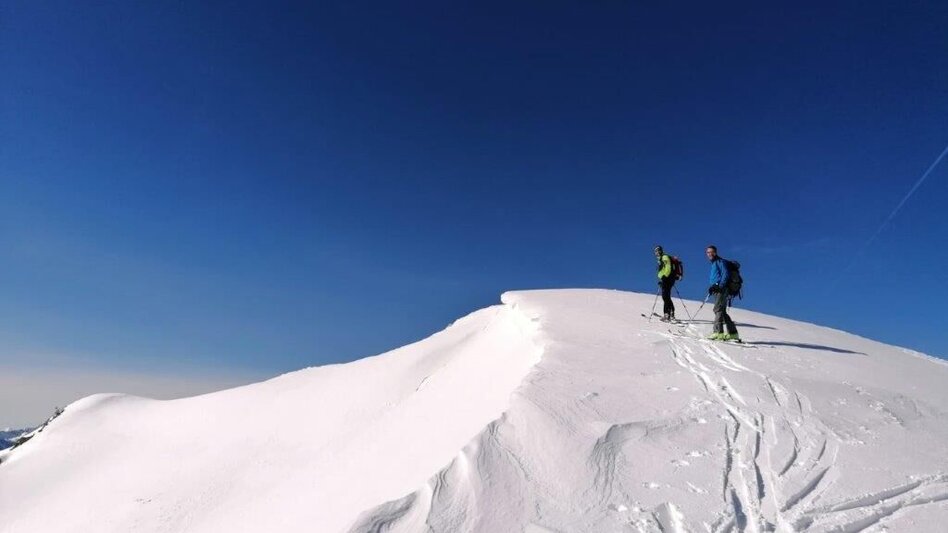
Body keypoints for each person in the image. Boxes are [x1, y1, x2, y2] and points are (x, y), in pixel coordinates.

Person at [706, 245, 739, 341]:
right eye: (708, 252)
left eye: (711, 252)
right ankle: (733, 334)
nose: (709, 254)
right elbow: (717, 277)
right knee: (722, 312)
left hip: (721, 289)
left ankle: (718, 333)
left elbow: (726, 274)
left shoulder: (720, 262)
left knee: (718, 309)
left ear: (715, 252)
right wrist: (713, 287)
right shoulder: (714, 263)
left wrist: (720, 286)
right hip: (718, 289)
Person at [654, 245, 676, 322]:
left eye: (657, 251)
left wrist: (664, 277)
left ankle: (667, 314)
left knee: (665, 296)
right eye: (655, 251)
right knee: (666, 296)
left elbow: (668, 267)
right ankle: (671, 313)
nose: (656, 253)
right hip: (666, 279)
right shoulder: (660, 259)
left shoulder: (664, 257)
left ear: (660, 251)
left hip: (667, 278)